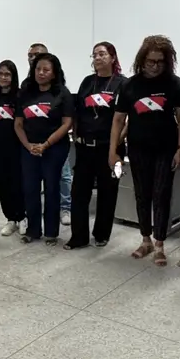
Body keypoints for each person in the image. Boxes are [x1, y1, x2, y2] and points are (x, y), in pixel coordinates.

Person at [110, 36, 180, 266]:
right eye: (150, 61)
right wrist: (112, 151)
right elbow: (118, 120)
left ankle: (160, 244)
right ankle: (145, 240)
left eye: (160, 62)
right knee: (142, 194)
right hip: (138, 148)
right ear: (142, 60)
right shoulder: (130, 85)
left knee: (161, 194)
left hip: (166, 148)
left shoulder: (174, 84)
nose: (155, 66)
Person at [66, 42, 126, 249]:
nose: (97, 58)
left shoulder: (123, 83)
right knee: (79, 193)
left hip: (111, 148)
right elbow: (77, 111)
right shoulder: (87, 82)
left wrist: (119, 140)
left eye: (102, 54)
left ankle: (102, 234)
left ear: (113, 57)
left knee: (108, 192)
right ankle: (78, 236)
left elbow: (129, 117)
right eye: (94, 55)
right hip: (85, 147)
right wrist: (76, 134)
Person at [16, 53, 74, 244]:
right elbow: (18, 124)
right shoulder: (25, 93)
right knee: (30, 189)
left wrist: (46, 144)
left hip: (54, 148)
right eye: (38, 69)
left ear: (54, 73)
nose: (41, 73)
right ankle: (33, 230)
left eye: (46, 70)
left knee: (52, 189)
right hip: (29, 148)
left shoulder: (62, 94)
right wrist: (28, 145)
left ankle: (51, 232)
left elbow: (67, 124)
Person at [0, 61, 26, 236]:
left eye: (7, 74)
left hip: (17, 149)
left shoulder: (20, 96)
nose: (3, 77)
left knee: (18, 184)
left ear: (13, 76)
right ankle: (10, 219)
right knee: (2, 186)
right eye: (0, 74)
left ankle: (22, 217)